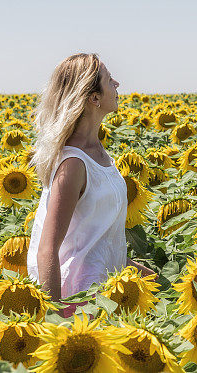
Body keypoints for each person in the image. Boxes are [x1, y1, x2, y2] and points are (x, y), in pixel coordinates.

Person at [26, 52, 156, 317]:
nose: (117, 84)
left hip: (109, 292)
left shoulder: (98, 152)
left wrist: (144, 275)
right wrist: (55, 318)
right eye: (109, 80)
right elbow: (48, 248)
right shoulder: (73, 164)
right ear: (94, 98)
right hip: (81, 301)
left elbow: (97, 238)